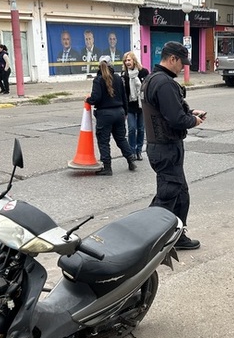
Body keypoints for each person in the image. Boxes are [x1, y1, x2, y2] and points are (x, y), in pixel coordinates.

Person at [141, 41, 206, 250]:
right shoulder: (164, 82)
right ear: (172, 59)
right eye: (182, 63)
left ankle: (177, 235)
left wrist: (190, 112)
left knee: (179, 193)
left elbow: (166, 112)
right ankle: (146, 238)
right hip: (165, 147)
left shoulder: (153, 79)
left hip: (164, 146)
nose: (183, 67)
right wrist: (192, 121)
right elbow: (175, 119)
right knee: (168, 194)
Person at [86, 55, 136, 176]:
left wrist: (88, 100)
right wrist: (124, 111)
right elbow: (124, 97)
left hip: (105, 114)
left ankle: (107, 167)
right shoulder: (118, 78)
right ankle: (130, 159)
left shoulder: (98, 79)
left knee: (103, 141)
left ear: (99, 66)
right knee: (121, 138)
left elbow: (96, 98)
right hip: (119, 112)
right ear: (111, 65)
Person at [122, 51, 149, 160]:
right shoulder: (124, 75)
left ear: (134, 60)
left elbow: (148, 88)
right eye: (125, 60)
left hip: (142, 105)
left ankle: (139, 151)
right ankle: (132, 151)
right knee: (132, 128)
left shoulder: (143, 72)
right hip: (130, 106)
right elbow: (123, 93)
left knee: (141, 129)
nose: (127, 62)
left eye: (129, 60)